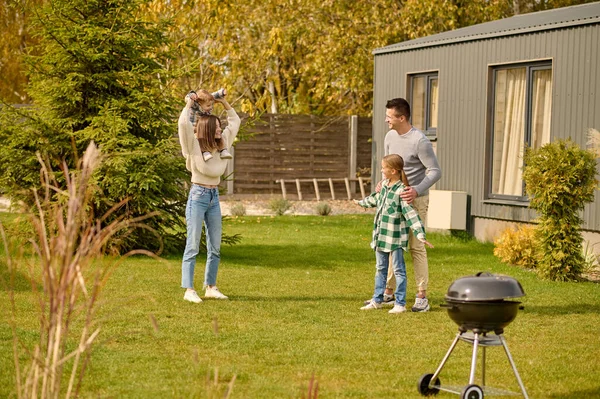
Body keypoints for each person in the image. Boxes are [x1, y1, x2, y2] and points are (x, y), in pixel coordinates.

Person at [378, 98, 442, 312]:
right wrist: (384, 183)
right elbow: (390, 166)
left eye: (389, 116)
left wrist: (416, 189)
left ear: (401, 118)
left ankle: (421, 297)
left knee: (416, 247)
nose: (386, 120)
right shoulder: (389, 136)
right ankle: (388, 292)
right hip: (394, 200)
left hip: (416, 200)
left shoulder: (419, 141)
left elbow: (435, 171)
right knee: (391, 244)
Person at [178, 91, 240, 303]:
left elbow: (235, 121)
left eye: (220, 127)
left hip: (213, 196)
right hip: (198, 195)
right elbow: (184, 125)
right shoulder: (193, 146)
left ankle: (210, 286)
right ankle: (189, 290)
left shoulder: (222, 144)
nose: (220, 129)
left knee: (215, 245)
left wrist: (223, 102)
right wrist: (189, 103)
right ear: (207, 129)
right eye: (216, 127)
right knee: (193, 244)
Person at [355, 154, 433, 314]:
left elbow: (411, 214)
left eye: (384, 168)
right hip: (381, 238)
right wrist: (361, 202)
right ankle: (377, 300)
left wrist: (420, 234)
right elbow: (375, 199)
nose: (381, 170)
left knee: (399, 271)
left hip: (396, 240)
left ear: (393, 170)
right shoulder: (384, 186)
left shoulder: (402, 191)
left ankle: (400, 303)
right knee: (380, 268)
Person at [185, 89, 233, 162]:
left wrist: (222, 92)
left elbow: (214, 95)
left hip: (206, 127)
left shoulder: (207, 99)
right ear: (200, 103)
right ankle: (205, 152)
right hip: (195, 128)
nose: (210, 107)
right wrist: (192, 96)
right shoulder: (195, 104)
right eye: (208, 105)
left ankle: (223, 150)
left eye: (211, 105)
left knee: (219, 136)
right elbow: (187, 98)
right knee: (199, 138)